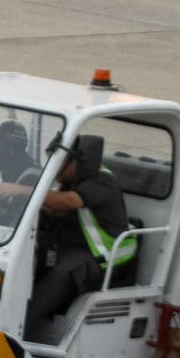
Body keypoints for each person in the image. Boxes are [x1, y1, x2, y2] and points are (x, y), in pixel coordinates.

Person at [23, 133, 133, 337]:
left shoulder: (102, 180)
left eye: (61, 161)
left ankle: (20, 324)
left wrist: (21, 191)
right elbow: (56, 210)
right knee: (29, 253)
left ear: (80, 160)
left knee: (63, 273)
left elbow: (68, 202)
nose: (55, 167)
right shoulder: (69, 180)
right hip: (72, 247)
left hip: (105, 256)